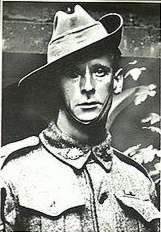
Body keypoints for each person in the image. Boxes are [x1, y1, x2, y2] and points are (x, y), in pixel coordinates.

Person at [0, 4, 160, 232]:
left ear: (117, 81)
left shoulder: (138, 182)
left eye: (100, 71)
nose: (88, 87)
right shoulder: (11, 174)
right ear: (55, 86)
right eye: (73, 74)